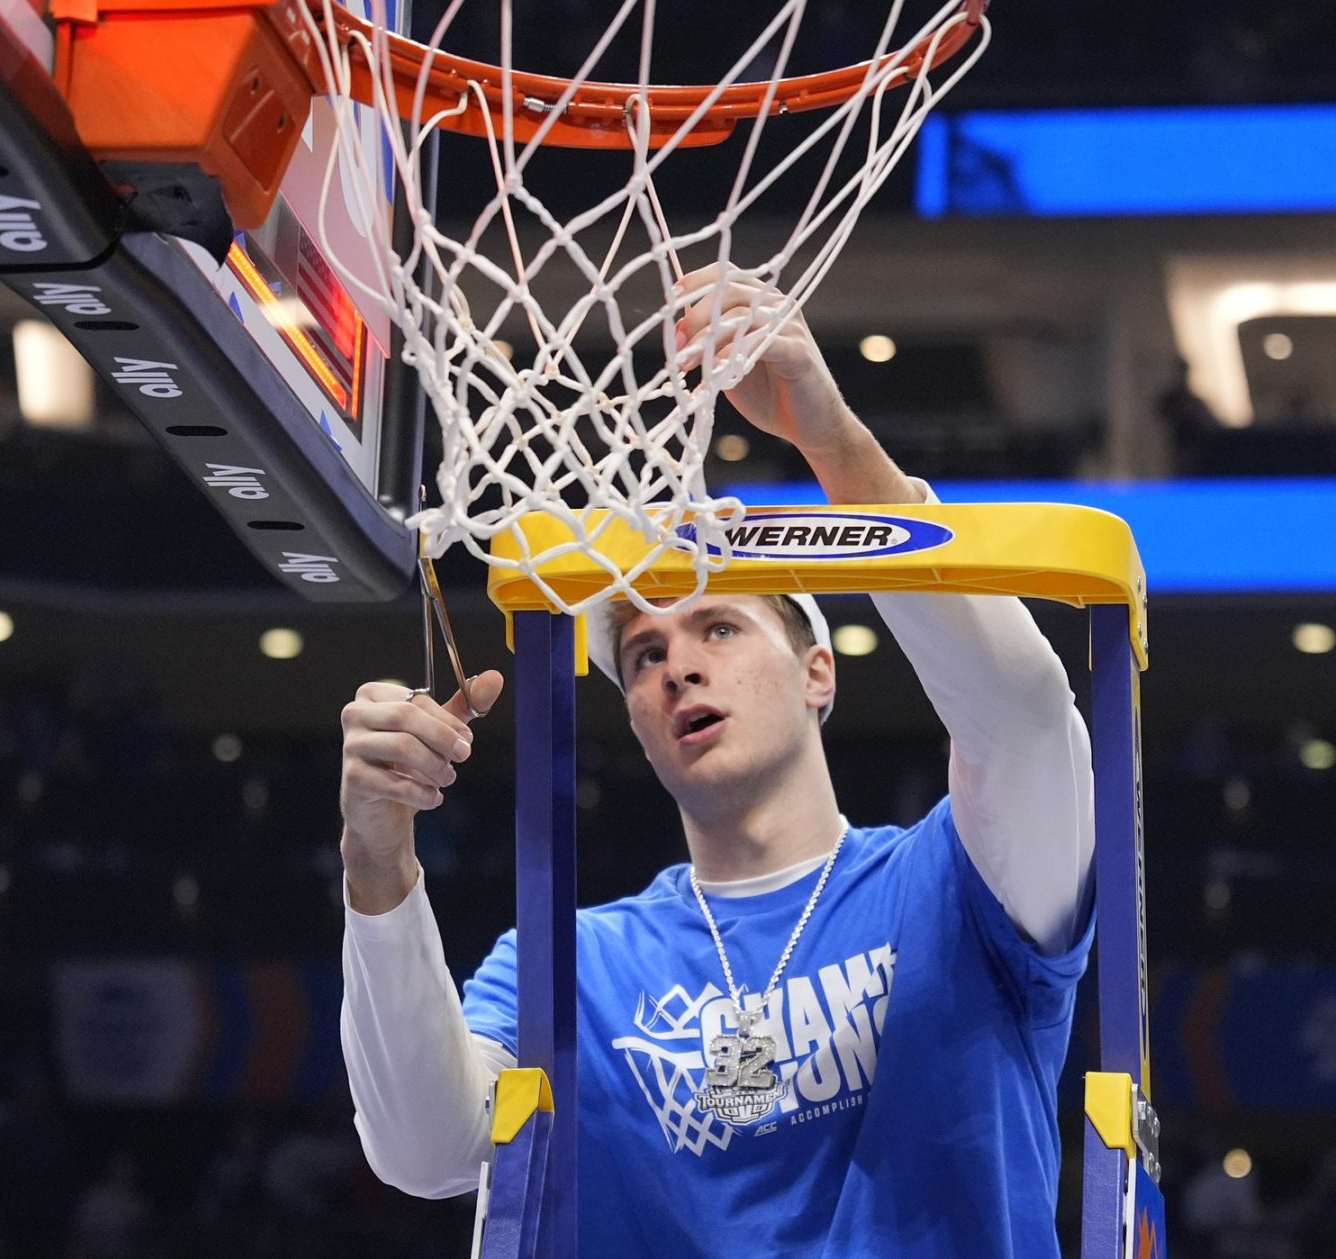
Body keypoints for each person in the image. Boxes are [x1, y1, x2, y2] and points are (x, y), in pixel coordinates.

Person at [338, 265, 1095, 1256]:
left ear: (819, 671)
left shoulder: (959, 881)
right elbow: (422, 1148)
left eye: (721, 628)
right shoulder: (573, 962)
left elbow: (1030, 721)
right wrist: (377, 850)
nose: (677, 666)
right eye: (644, 653)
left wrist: (835, 447)